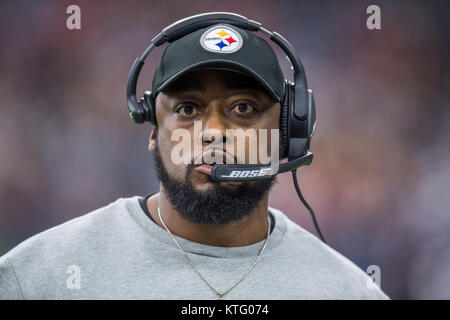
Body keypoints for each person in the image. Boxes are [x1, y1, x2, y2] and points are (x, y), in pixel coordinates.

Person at [0, 21, 388, 300]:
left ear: (289, 132)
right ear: (153, 130)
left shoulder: (349, 292)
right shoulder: (36, 278)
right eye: (188, 108)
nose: (214, 130)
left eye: (243, 107)